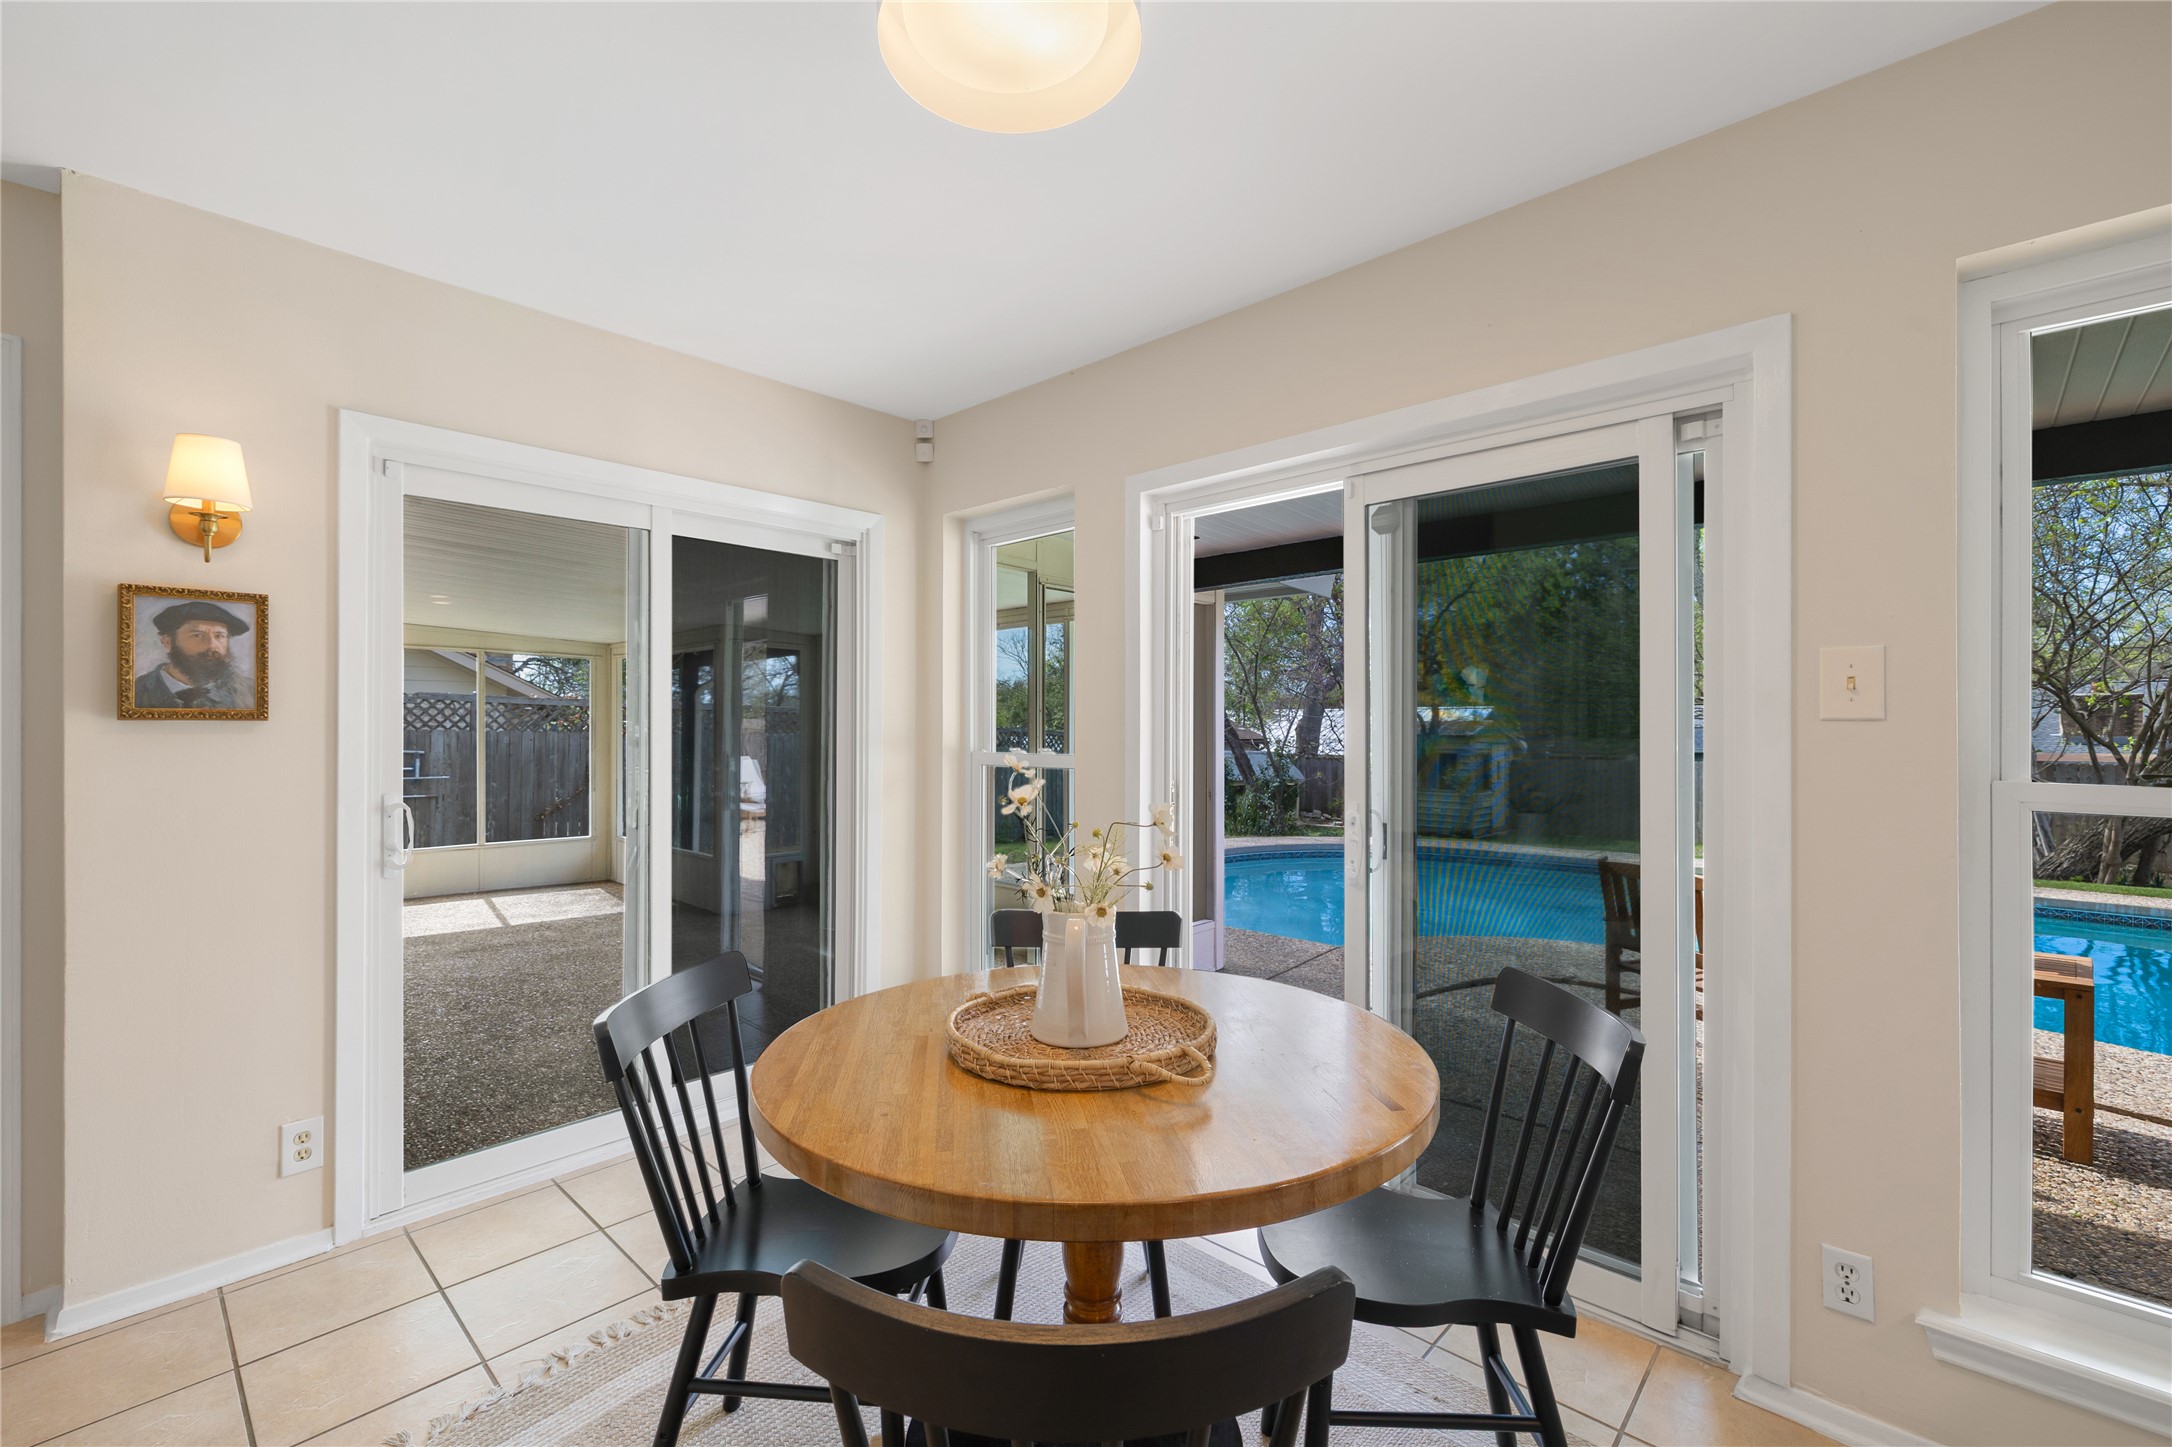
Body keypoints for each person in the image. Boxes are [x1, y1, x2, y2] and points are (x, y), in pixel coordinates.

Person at [134, 600, 251, 709]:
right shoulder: (135, 691)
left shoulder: (250, 690)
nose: (212, 645)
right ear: (168, 642)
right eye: (197, 635)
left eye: (219, 636)